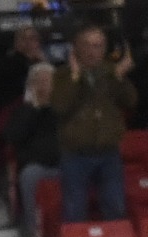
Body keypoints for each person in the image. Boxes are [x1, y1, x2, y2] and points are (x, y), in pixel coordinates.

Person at [53, 24, 137, 223]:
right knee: (74, 209)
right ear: (77, 48)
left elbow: (131, 101)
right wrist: (75, 77)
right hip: (76, 153)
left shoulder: (111, 72)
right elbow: (59, 106)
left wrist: (118, 77)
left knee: (115, 206)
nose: (93, 51)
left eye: (98, 46)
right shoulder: (63, 75)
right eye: (88, 45)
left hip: (108, 152)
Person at [6, 63, 61, 228]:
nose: (44, 86)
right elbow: (12, 136)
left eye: (48, 81)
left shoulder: (64, 110)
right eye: (40, 81)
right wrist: (35, 109)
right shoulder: (22, 111)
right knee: (30, 175)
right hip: (35, 165)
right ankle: (33, 230)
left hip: (64, 163)